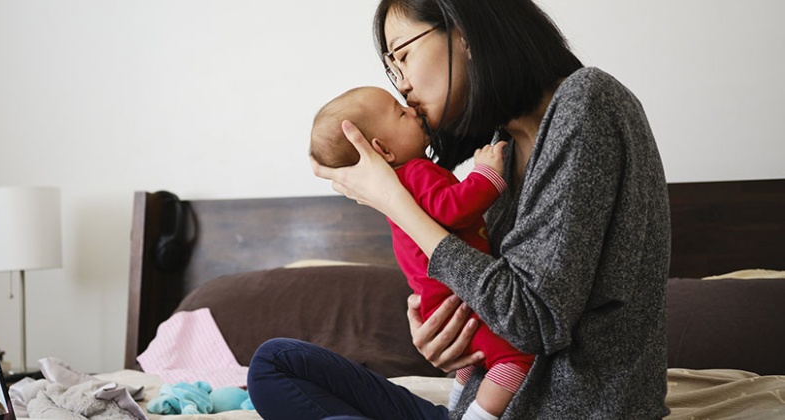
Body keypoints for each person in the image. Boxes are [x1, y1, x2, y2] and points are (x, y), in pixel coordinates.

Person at [249, 0, 670, 419]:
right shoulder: (502, 150)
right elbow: (497, 296)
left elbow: (532, 322)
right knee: (275, 363)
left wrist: (395, 202)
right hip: (485, 409)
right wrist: (447, 337)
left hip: (560, 411)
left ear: (464, 34)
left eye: (402, 55)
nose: (403, 86)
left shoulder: (586, 102)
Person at [309, 85, 533, 416]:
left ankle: (457, 403)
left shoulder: (402, 186)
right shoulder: (415, 172)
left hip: (444, 302)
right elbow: (453, 208)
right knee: (516, 357)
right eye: (401, 113)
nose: (412, 110)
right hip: (461, 297)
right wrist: (487, 174)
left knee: (475, 358)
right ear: (382, 150)